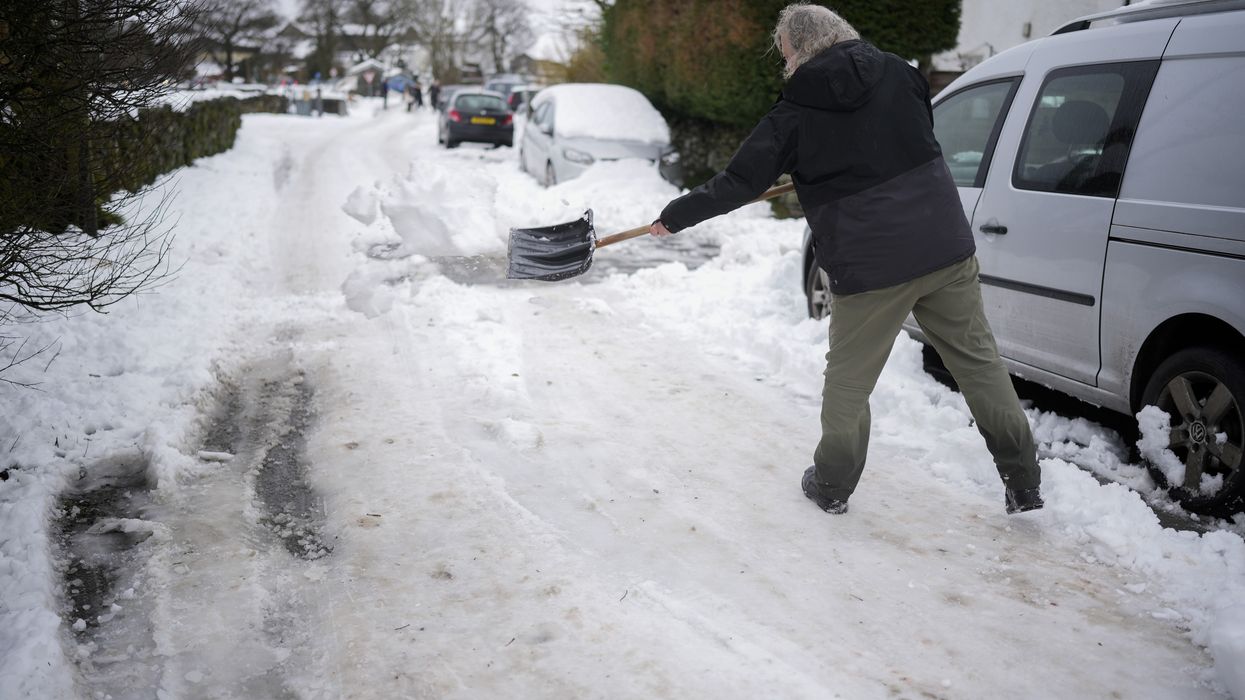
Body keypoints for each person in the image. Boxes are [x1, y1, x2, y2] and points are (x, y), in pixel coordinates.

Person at [649, 4, 1043, 516]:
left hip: (870, 264)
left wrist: (675, 216)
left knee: (849, 383)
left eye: (785, 53)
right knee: (979, 364)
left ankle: (832, 484)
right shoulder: (901, 72)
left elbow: (740, 182)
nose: (785, 64)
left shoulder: (793, 113)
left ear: (801, 48)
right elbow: (912, 135)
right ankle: (1023, 480)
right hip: (943, 244)